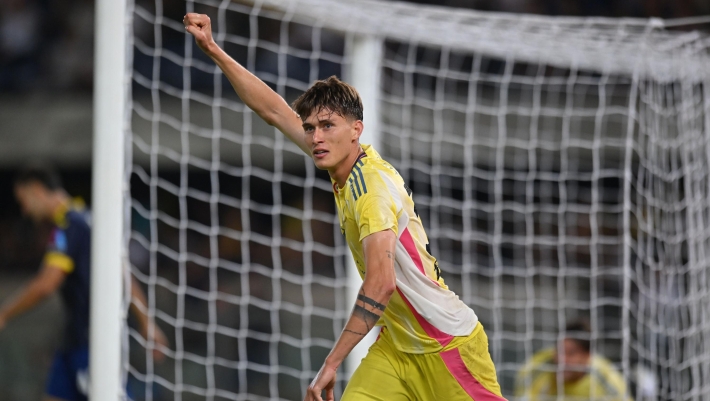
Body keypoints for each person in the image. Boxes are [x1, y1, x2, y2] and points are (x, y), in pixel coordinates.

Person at [184, 13, 504, 401]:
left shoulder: (371, 190)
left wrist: (332, 362)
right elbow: (273, 110)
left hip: (447, 347)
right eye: (310, 128)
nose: (315, 137)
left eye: (327, 125)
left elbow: (381, 284)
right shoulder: (342, 162)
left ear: (356, 129)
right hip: (396, 348)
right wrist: (214, 50)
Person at [0, 164, 169, 401]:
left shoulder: (70, 226)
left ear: (36, 190)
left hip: (91, 343)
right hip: (72, 343)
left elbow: (46, 285)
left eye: (23, 201)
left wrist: (5, 313)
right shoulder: (87, 220)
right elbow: (123, 275)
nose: (25, 211)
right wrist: (146, 322)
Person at [514, 320, 631, 401]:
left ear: (587, 357)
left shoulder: (607, 382)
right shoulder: (535, 370)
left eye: (570, 353)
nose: (561, 359)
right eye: (559, 351)